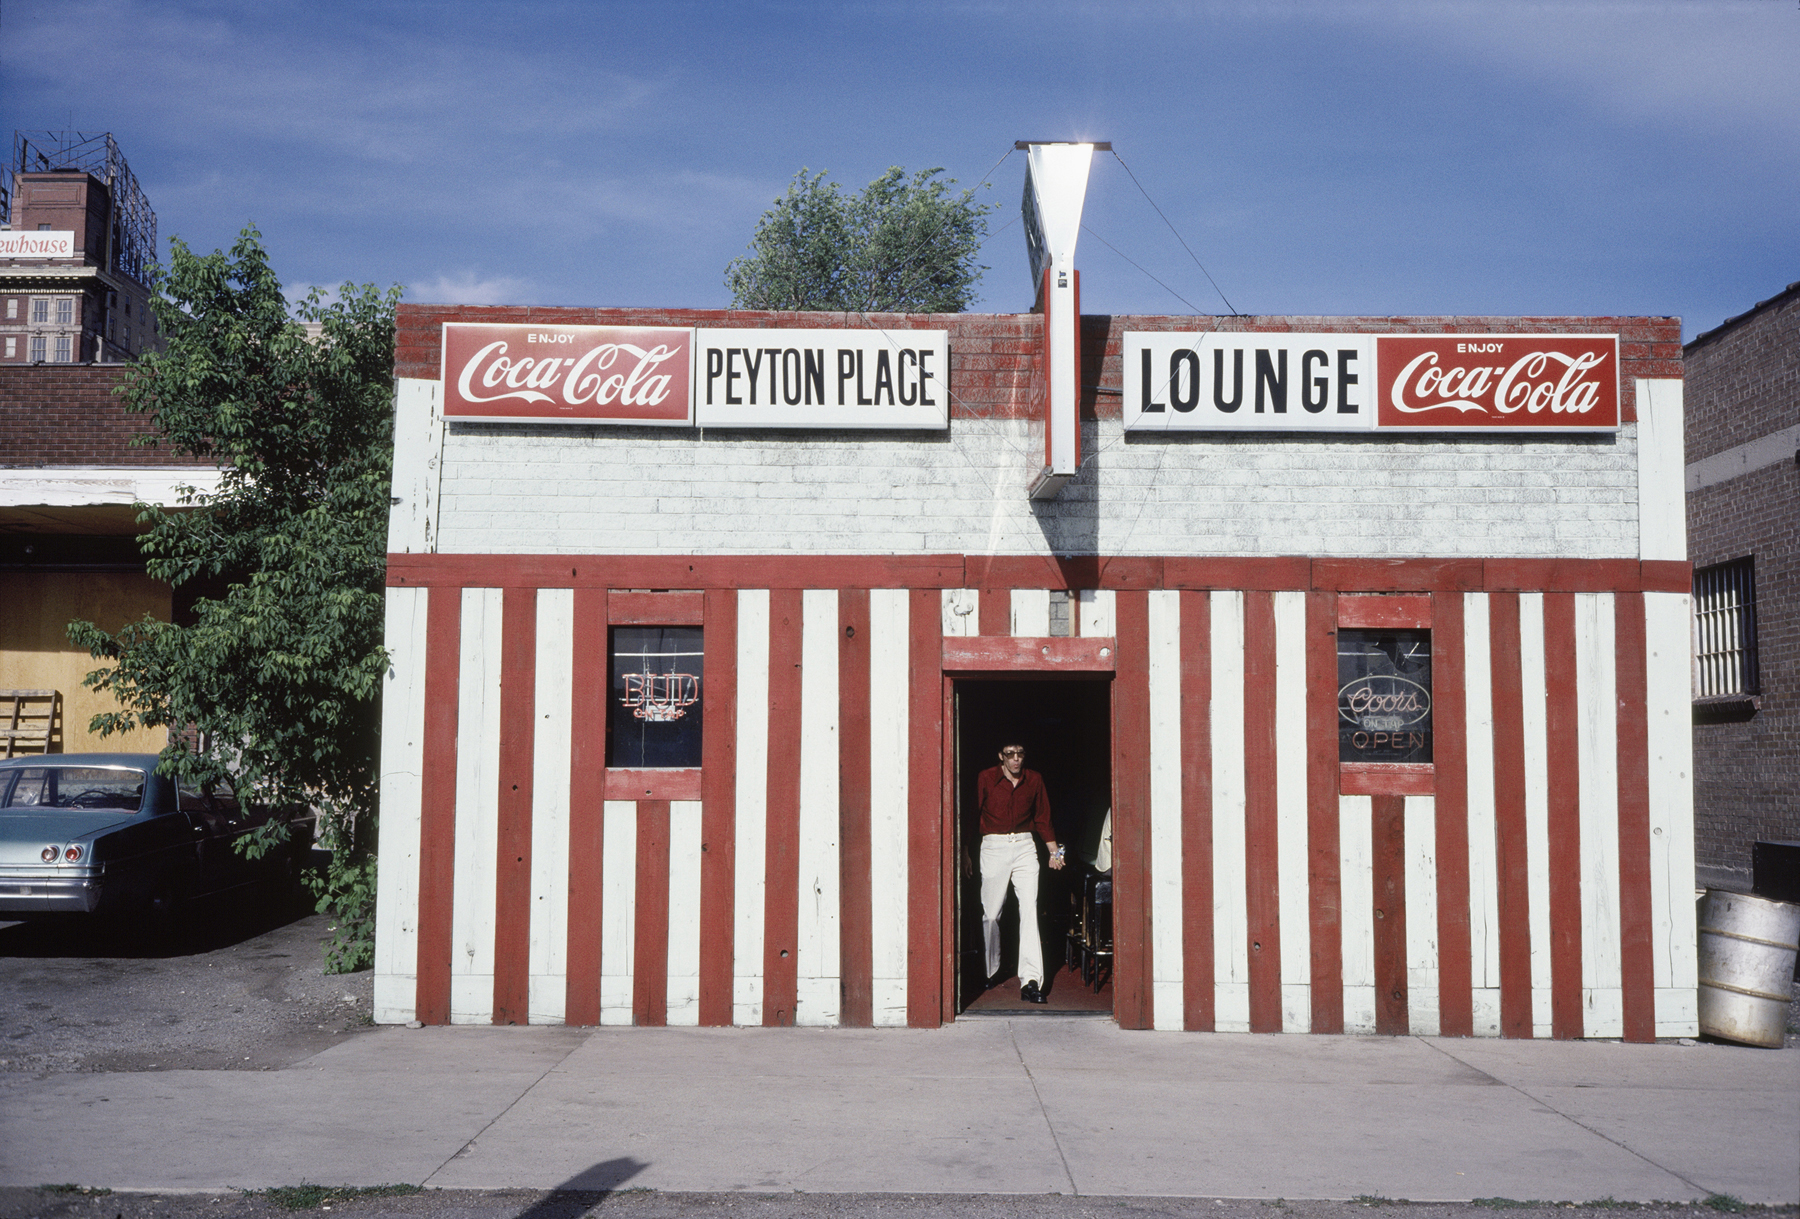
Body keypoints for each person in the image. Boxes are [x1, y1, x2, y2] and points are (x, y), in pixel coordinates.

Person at [972, 741, 1064, 1003]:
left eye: (1020, 754)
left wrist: (1054, 853)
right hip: (993, 845)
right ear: (1001, 756)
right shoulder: (986, 778)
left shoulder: (1034, 780)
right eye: (1010, 755)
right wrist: (964, 852)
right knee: (991, 914)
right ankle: (991, 970)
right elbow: (971, 813)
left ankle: (1031, 980)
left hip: (1025, 844)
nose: (1015, 760)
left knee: (1029, 909)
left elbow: (1043, 817)